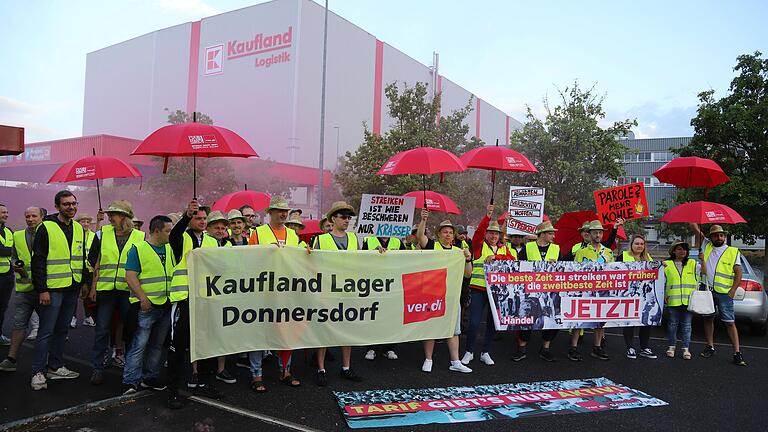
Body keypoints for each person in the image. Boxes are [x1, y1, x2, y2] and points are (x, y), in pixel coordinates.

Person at [167, 200, 222, 408]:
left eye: (204, 218)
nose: (201, 221)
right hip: (184, 299)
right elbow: (173, 235)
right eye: (197, 217)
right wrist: (185, 216)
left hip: (205, 300)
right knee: (178, 347)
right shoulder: (181, 238)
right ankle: (173, 390)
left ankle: (204, 383)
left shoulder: (212, 241)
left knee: (206, 343)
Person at [30, 191, 86, 390]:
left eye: (73, 203)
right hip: (52, 289)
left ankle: (55, 366)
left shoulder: (79, 228)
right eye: (66, 204)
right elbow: (37, 261)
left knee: (62, 330)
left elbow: (81, 258)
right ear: (57, 206)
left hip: (72, 287)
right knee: (46, 331)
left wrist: (84, 284)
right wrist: (42, 289)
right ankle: (38, 372)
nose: (71, 207)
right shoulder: (46, 227)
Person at [87, 201, 146, 385]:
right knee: (102, 329)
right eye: (110, 214)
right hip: (106, 290)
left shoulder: (140, 236)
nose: (110, 217)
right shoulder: (102, 234)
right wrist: (94, 286)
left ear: (126, 217)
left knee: (130, 329)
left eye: (115, 214)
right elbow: (94, 260)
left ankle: (130, 368)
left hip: (128, 291)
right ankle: (97, 367)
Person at [248, 196, 303, 391]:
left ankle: (285, 371)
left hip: (286, 291)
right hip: (263, 291)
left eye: (285, 211)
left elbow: (299, 260)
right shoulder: (258, 233)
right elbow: (250, 259)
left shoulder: (293, 235)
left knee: (286, 331)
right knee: (258, 332)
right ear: (269, 213)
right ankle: (256, 374)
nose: (283, 214)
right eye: (279, 210)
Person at [311, 201, 366, 386]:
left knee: (346, 330)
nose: (347, 220)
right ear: (333, 218)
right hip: (328, 291)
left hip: (348, 290)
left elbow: (361, 261)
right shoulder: (320, 239)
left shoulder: (354, 238)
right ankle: (321, 368)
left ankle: (346, 367)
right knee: (324, 329)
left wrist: (377, 253)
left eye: (349, 217)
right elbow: (313, 265)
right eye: (343, 217)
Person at [121, 215, 176, 394]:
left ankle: (149, 377)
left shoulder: (169, 249)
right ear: (157, 230)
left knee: (157, 345)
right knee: (139, 344)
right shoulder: (138, 249)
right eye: (168, 231)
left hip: (165, 304)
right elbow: (130, 276)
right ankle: (130, 381)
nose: (171, 234)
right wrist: (142, 298)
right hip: (147, 306)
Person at [416, 209, 474, 374]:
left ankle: (455, 361)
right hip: (432, 294)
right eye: (445, 232)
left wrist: (468, 259)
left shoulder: (458, 252)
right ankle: (428, 359)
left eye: (450, 232)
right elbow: (420, 236)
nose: (448, 235)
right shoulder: (433, 246)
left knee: (453, 329)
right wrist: (423, 220)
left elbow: (467, 274)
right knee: (431, 327)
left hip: (451, 295)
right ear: (439, 234)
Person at [461, 205, 514, 367]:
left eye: (496, 233)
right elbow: (478, 233)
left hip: (496, 292)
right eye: (490, 233)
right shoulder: (478, 245)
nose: (493, 236)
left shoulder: (503, 248)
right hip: (478, 289)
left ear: (499, 235)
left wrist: (496, 256)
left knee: (493, 323)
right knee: (475, 322)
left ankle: (486, 352)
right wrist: (487, 216)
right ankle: (469, 351)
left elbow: (512, 260)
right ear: (486, 234)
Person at [691, 223, 747, 366]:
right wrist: (693, 220)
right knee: (708, 319)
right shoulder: (707, 246)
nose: (719, 237)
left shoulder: (733, 251)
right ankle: (710, 346)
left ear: (724, 237)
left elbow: (738, 272)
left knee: (729, 322)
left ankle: (737, 352)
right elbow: (696, 230)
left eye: (721, 235)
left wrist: (733, 290)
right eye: (715, 235)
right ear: (711, 237)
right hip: (708, 291)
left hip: (724, 293)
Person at [0, 207, 43, 372]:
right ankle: (11, 359)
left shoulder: (48, 235)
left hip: (44, 289)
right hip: (24, 287)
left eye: (34, 216)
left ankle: (46, 362)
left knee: (47, 327)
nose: (30, 219)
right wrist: (16, 265)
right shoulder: (17, 235)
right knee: (19, 323)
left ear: (41, 217)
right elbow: (13, 256)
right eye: (27, 216)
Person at [512, 221, 561, 362]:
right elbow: (518, 267)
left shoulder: (557, 249)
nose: (553, 236)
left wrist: (556, 266)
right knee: (526, 318)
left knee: (551, 319)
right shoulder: (528, 248)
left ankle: (545, 348)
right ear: (542, 234)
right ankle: (521, 348)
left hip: (550, 291)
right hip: (530, 291)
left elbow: (563, 270)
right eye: (551, 233)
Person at [361, 233, 406, 361]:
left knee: (391, 316)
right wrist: (372, 254)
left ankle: (389, 347)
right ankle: (371, 347)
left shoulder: (397, 242)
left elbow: (406, 260)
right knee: (373, 314)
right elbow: (361, 260)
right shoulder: (368, 240)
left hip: (392, 284)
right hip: (374, 284)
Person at [573, 220, 614, 361]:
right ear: (589, 234)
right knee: (579, 319)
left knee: (600, 320)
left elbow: (613, 272)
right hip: (584, 291)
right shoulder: (581, 252)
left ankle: (597, 347)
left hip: (602, 291)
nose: (598, 234)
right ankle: (573, 347)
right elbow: (575, 271)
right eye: (595, 232)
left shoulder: (608, 252)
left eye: (600, 232)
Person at [617, 234, 657, 360]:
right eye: (637, 243)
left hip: (645, 295)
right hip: (628, 295)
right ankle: (630, 347)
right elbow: (614, 271)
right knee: (630, 321)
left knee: (646, 321)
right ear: (631, 245)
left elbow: (654, 273)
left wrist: (661, 267)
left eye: (641, 244)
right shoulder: (623, 256)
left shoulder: (648, 258)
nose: (639, 246)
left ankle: (644, 347)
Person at [663, 240, 697, 360]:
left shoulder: (692, 263)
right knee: (672, 324)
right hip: (673, 299)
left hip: (688, 300)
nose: (682, 251)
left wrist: (703, 261)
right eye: (679, 249)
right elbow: (662, 281)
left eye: (684, 249)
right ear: (673, 251)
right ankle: (671, 346)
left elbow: (703, 273)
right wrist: (663, 295)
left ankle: (685, 348)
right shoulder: (666, 264)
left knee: (687, 325)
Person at [74, 213, 97, 328]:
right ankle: (72, 317)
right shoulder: (73, 235)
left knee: (88, 295)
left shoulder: (94, 236)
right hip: (76, 269)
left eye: (88, 222)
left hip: (89, 270)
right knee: (73, 294)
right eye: (83, 221)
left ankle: (88, 317)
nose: (86, 224)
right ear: (78, 223)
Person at [0, 203, 14, 346]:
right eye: (3, 212)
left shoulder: (9, 231)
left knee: (3, 307)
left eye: (7, 212)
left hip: (8, 275)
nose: (6, 215)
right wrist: (10, 250)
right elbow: (3, 251)